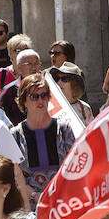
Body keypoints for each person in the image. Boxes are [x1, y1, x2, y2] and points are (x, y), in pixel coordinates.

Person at [9, 73, 76, 202]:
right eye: (34, 97)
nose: (40, 101)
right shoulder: (15, 135)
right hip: (30, 207)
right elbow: (14, 177)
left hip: (62, 202)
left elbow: (74, 167)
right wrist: (36, 196)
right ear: (24, 101)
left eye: (44, 95)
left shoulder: (64, 129)